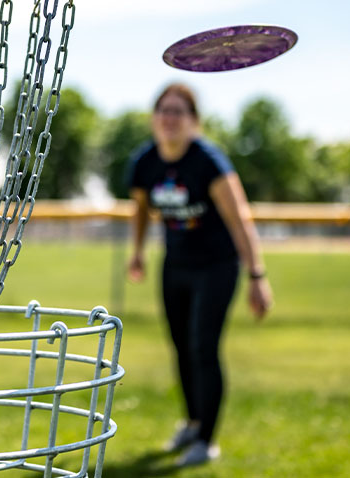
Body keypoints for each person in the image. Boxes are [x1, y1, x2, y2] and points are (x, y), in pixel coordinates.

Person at [127, 82, 273, 467]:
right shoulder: (145, 162)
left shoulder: (208, 161)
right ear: (153, 118)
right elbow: (141, 208)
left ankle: (206, 441)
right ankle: (192, 423)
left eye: (179, 111)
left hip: (217, 265)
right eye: (164, 110)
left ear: (194, 120)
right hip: (175, 264)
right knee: (180, 347)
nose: (170, 118)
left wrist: (257, 276)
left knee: (203, 347)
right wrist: (138, 252)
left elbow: (240, 220)